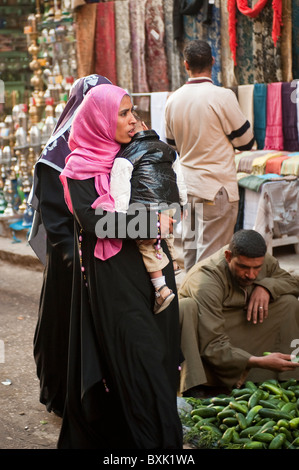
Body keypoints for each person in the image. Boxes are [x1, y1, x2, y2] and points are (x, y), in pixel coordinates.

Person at [57, 84, 183, 449]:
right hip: (116, 279)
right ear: (100, 119)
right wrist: (150, 224)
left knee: (161, 359)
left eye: (132, 112)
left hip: (155, 272)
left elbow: (169, 199)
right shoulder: (78, 169)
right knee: (141, 361)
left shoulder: (133, 154)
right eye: (123, 113)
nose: (132, 120)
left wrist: (170, 215)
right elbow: (95, 223)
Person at [28, 74, 112, 417]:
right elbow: (54, 214)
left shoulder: (106, 140)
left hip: (103, 254)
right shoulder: (57, 153)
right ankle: (63, 395)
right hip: (71, 259)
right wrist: (74, 259)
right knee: (65, 323)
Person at [165, 39, 255, 272]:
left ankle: (191, 304)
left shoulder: (172, 100)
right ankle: (203, 305)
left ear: (186, 65)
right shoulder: (222, 96)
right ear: (213, 62)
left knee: (191, 254)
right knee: (211, 260)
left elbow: (171, 145)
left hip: (188, 187)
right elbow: (246, 142)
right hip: (216, 190)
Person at [178, 229, 299, 397]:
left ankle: (288, 377)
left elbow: (291, 282)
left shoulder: (263, 260)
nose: (251, 275)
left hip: (235, 324)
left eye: (257, 268)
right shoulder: (206, 280)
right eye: (243, 267)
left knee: (289, 303)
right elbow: (212, 343)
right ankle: (199, 387)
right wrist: (257, 362)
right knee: (185, 306)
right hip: (206, 337)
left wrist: (266, 287)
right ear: (228, 256)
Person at [110, 114, 187, 314]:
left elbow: (121, 187)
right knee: (167, 236)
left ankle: (160, 288)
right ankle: (174, 263)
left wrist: (120, 214)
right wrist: (183, 203)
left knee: (148, 245)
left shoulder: (126, 154)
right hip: (169, 202)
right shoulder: (167, 149)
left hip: (146, 206)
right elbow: (180, 179)